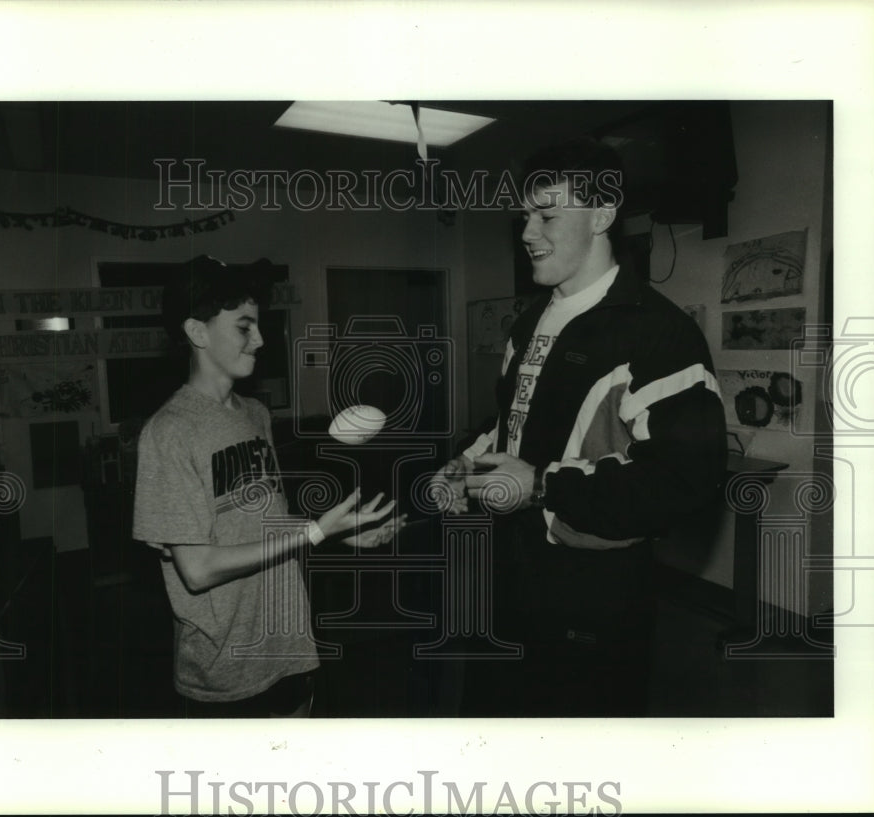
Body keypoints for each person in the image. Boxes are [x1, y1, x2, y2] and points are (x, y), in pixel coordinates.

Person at [433, 138, 728, 716]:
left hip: (592, 595)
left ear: (601, 214)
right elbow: (510, 423)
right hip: (507, 575)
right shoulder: (528, 322)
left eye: (547, 215)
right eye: (525, 216)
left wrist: (543, 485)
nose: (527, 233)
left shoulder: (659, 334)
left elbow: (686, 481)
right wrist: (468, 461)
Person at [133, 255, 400, 717]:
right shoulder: (169, 432)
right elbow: (195, 569)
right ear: (198, 333)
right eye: (243, 327)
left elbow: (264, 527)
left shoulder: (255, 415)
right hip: (226, 671)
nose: (260, 339)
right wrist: (312, 532)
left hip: (290, 649)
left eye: (258, 326)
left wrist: (335, 534)